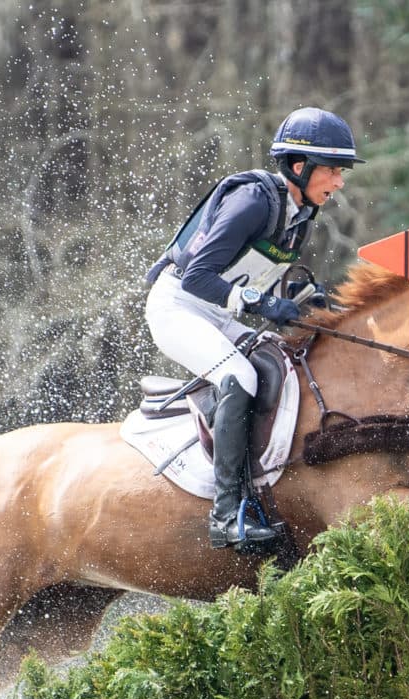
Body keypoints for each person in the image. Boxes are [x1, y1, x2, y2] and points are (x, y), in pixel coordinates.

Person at [145, 107, 364, 548]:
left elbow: (260, 278)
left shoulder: (299, 212)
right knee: (240, 376)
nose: (340, 183)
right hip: (178, 308)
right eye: (334, 171)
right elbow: (197, 277)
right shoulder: (253, 201)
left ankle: (266, 483)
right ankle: (227, 514)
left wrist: (305, 304)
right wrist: (264, 304)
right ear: (300, 167)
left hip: (216, 313)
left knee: (280, 364)